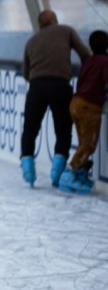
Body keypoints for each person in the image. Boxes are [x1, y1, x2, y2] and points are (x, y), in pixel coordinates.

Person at [19, 10, 91, 187]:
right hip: (60, 85)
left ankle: (29, 172)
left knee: (30, 128)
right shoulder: (66, 31)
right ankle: (56, 174)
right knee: (63, 129)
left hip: (36, 87)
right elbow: (86, 55)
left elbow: (26, 73)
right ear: (55, 21)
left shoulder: (31, 41)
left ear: (39, 24)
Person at [57, 30, 108, 194]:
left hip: (76, 103)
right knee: (88, 145)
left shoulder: (88, 61)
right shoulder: (105, 61)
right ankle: (69, 174)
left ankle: (80, 173)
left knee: (83, 143)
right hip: (89, 106)